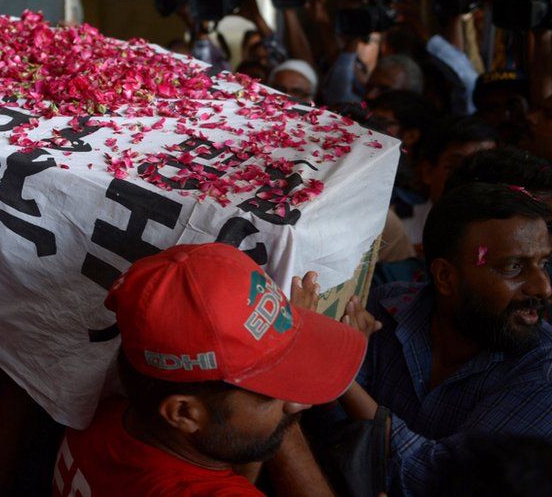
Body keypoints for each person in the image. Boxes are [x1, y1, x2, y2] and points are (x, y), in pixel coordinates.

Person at [53, 243, 367, 496]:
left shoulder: (101, 415)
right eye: (271, 394)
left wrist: (281, 352)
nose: (300, 401)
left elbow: (228, 449)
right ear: (183, 413)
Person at [338, 183, 552, 495]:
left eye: (543, 263)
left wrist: (342, 377)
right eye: (513, 267)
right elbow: (330, 427)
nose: (542, 287)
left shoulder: (543, 372)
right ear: (445, 277)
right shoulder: (388, 307)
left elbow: (435, 482)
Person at [400, 119, 497, 251]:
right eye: (456, 167)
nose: (471, 178)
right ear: (428, 172)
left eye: (483, 168)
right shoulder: (398, 228)